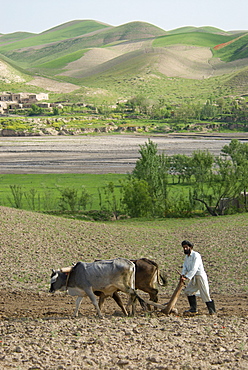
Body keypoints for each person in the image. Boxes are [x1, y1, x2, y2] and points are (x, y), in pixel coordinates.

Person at [180, 240, 216, 315]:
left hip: (200, 277)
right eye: (184, 248)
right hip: (193, 278)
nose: (185, 249)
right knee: (188, 291)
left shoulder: (196, 255)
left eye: (186, 247)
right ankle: (193, 309)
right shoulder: (187, 257)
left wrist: (186, 277)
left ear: (191, 247)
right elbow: (185, 267)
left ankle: (212, 311)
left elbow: (194, 268)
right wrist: (183, 274)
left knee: (205, 294)